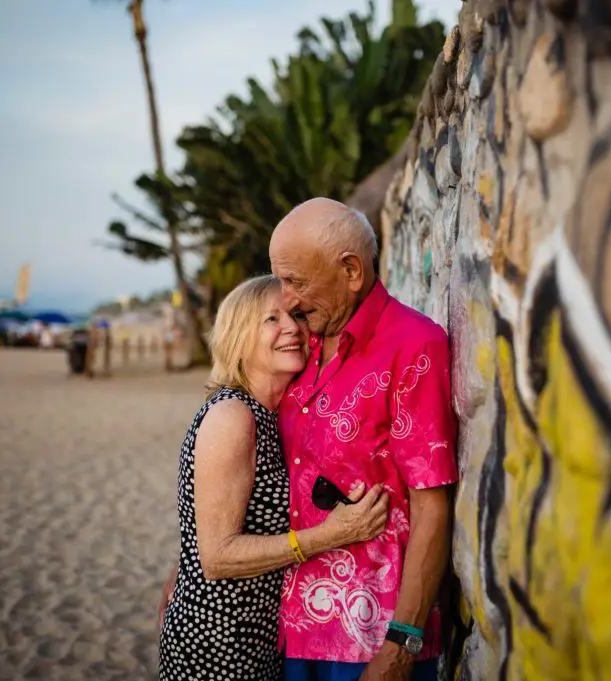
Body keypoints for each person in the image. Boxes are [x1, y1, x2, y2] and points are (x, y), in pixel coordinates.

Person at [158, 275, 391, 681]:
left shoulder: (272, 415)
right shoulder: (232, 416)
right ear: (239, 337)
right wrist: (332, 535)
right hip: (219, 647)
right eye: (271, 319)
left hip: (259, 640)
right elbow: (216, 557)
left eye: (296, 315)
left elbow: (206, 527)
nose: (292, 328)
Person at [270, 199, 458, 681]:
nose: (286, 299)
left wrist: (401, 644)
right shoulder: (297, 343)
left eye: (296, 281)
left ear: (351, 270)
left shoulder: (414, 345)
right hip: (287, 630)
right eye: (280, 281)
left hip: (369, 642)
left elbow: (432, 504)